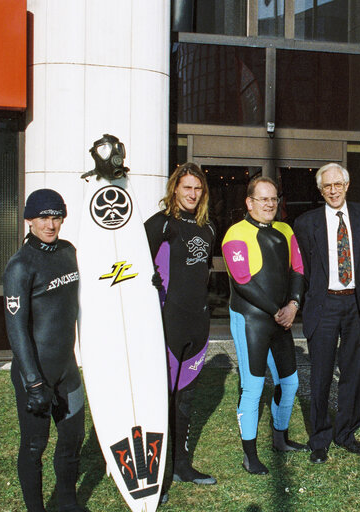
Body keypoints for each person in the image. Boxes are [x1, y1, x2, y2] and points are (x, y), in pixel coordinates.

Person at [3, 189, 85, 512]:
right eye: (43, 217)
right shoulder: (19, 266)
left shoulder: (69, 252)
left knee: (72, 439)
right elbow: (16, 330)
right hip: (34, 373)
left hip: (67, 369)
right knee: (35, 445)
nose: (50, 225)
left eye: (56, 217)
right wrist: (34, 383)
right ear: (29, 220)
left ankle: (67, 502)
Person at [221, 176, 307, 475]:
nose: (270, 204)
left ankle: (280, 439)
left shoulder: (285, 230)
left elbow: (298, 269)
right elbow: (243, 281)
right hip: (251, 320)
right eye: (263, 199)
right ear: (250, 202)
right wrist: (277, 310)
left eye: (274, 199)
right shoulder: (236, 234)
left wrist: (293, 305)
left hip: (280, 318)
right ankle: (249, 455)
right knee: (254, 385)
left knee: (290, 382)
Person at [293, 163, 360, 464]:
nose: (333, 190)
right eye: (327, 186)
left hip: (356, 303)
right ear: (320, 190)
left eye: (337, 184)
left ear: (347, 184)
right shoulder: (305, 223)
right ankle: (320, 439)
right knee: (321, 376)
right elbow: (305, 270)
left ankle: (346, 433)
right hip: (324, 304)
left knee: (353, 374)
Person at [144, 163, 217, 488]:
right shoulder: (160, 225)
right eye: (186, 187)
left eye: (197, 188)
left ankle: (181, 465)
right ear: (175, 189)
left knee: (186, 399)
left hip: (197, 325)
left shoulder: (209, 228)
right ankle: (154, 472)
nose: (191, 194)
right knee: (161, 398)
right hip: (167, 322)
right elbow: (126, 263)